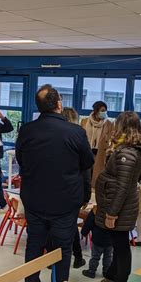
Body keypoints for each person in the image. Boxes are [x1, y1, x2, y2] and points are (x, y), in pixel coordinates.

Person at [15, 85, 94, 282]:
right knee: (63, 247)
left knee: (34, 245)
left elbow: (21, 159)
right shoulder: (75, 132)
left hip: (34, 198)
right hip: (65, 200)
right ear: (59, 103)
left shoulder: (27, 130)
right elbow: (87, 162)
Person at [91, 112, 141, 282]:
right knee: (118, 244)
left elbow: (123, 186)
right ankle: (111, 278)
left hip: (120, 207)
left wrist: (112, 213)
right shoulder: (130, 148)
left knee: (122, 247)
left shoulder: (128, 153)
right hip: (118, 203)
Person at [62, 107, 91, 268]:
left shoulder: (56, 139)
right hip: (74, 190)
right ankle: (78, 256)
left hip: (57, 190)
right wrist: (86, 196)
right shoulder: (79, 137)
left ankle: (53, 259)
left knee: (55, 225)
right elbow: (86, 171)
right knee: (70, 224)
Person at [81, 100, 113, 188]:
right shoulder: (85, 121)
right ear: (96, 111)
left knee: (97, 175)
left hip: (99, 153)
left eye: (105, 111)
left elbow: (111, 139)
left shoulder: (108, 124)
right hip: (86, 151)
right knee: (86, 174)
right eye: (102, 110)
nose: (104, 113)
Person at [81, 207, 113, 279]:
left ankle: (91, 271)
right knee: (108, 257)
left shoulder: (96, 209)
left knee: (95, 257)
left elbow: (89, 222)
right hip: (110, 239)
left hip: (98, 238)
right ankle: (106, 272)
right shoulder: (114, 209)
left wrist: (84, 232)